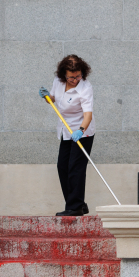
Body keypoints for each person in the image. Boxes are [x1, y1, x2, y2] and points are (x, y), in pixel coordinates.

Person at [39, 54, 95, 217]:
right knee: (62, 167)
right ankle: (79, 203)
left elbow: (88, 115)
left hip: (82, 132)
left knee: (76, 168)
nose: (75, 80)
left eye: (78, 76)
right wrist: (47, 97)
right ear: (64, 74)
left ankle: (74, 207)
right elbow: (55, 99)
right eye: (72, 77)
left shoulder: (85, 87)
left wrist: (81, 130)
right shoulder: (58, 82)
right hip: (65, 131)